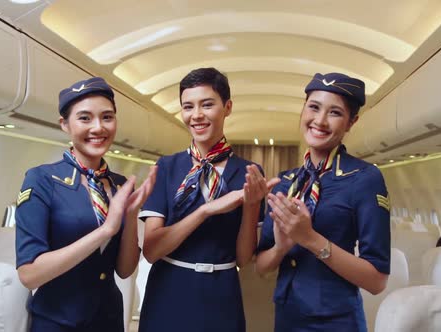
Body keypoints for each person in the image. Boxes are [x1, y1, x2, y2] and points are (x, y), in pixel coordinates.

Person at [138, 68, 279, 332]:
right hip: (169, 291)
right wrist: (205, 211)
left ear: (227, 107)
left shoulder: (249, 172)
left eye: (207, 104)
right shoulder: (166, 167)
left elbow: (243, 257)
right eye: (188, 106)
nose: (197, 115)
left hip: (222, 293)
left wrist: (250, 207)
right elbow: (152, 250)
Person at [15, 77, 157, 331]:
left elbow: (124, 271)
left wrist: (132, 214)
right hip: (57, 322)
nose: (98, 127)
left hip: (108, 320)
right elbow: (29, 274)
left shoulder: (120, 185)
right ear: (64, 125)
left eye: (107, 117)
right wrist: (106, 228)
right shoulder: (42, 180)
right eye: (84, 118)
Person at [256, 72, 391, 332]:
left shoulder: (364, 179)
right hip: (286, 315)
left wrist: (309, 238)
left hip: (336, 321)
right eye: (314, 107)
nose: (319, 120)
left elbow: (377, 281)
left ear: (351, 122)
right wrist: (282, 248)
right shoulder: (287, 182)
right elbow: (262, 267)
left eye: (335, 113)